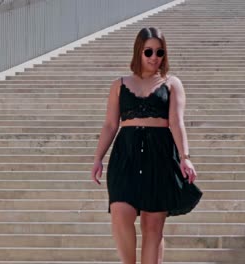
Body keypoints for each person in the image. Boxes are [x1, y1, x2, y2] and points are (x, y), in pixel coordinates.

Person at [91, 27, 203, 264]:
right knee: (120, 213)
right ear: (139, 52)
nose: (154, 57)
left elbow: (177, 122)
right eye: (149, 51)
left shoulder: (171, 83)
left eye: (159, 52)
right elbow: (110, 125)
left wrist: (185, 156)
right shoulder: (119, 85)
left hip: (160, 154)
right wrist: (98, 158)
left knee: (152, 226)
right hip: (126, 154)